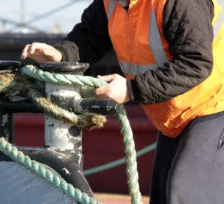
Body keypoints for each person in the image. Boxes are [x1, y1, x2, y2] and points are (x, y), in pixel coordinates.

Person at [21, 0, 224, 203]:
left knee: (183, 195)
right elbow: (90, 36)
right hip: (174, 117)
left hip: (214, 106)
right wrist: (61, 54)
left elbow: (195, 63)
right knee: (164, 197)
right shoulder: (110, 3)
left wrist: (131, 89)